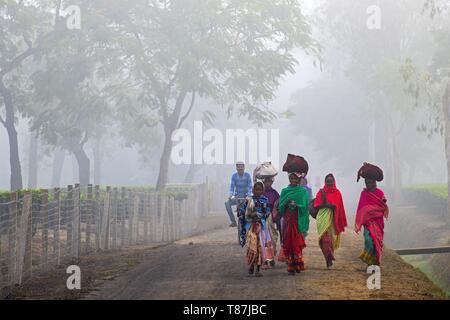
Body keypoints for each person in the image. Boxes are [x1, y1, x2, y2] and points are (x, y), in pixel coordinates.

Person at [354, 163, 389, 266]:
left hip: (378, 222)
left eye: (371, 183)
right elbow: (362, 209)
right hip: (368, 223)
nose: (369, 185)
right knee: (369, 240)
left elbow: (382, 205)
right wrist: (365, 217)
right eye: (367, 183)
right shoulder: (364, 194)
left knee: (376, 241)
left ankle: (374, 261)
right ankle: (368, 258)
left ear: (375, 182)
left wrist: (382, 203)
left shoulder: (380, 192)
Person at [313, 174, 348, 268]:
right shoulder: (321, 192)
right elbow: (316, 204)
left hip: (333, 220)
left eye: (331, 181)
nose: (329, 183)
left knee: (331, 240)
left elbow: (340, 208)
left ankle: (328, 258)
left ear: (334, 181)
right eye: (328, 181)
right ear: (325, 182)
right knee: (325, 240)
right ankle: (328, 258)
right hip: (322, 218)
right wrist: (328, 206)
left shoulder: (338, 193)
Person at [278, 172, 309, 275]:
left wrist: (297, 205)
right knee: (288, 242)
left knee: (297, 242)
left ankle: (298, 264)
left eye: (295, 179)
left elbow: (305, 206)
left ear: (299, 180)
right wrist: (286, 202)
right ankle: (291, 266)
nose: (293, 180)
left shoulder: (303, 191)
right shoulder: (284, 191)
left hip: (297, 220)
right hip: (288, 220)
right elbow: (280, 207)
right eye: (291, 178)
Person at [239, 182, 271, 277]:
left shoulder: (265, 200)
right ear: (253, 190)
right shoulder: (248, 200)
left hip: (261, 227)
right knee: (251, 247)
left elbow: (267, 212)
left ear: (263, 190)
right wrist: (250, 215)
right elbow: (242, 212)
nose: (258, 191)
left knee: (260, 248)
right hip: (250, 227)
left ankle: (257, 269)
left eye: (260, 189)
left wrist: (259, 216)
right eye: (256, 189)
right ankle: (251, 266)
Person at [225, 162, 252, 227]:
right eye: (239, 169)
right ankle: (233, 221)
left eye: (241, 169)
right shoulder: (234, 176)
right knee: (227, 204)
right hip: (237, 196)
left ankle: (249, 220)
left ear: (244, 168)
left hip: (246, 197)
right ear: (236, 169)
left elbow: (250, 186)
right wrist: (230, 195)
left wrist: (248, 195)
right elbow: (232, 187)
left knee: (252, 205)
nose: (240, 170)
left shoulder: (247, 175)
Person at [262, 177, 280, 267]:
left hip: (271, 218)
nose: (268, 183)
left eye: (270, 181)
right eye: (266, 181)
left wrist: (274, 213)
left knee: (272, 238)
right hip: (261, 218)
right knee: (263, 239)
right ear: (263, 181)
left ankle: (271, 257)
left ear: (272, 182)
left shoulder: (274, 193)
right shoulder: (260, 192)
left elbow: (278, 204)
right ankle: (265, 259)